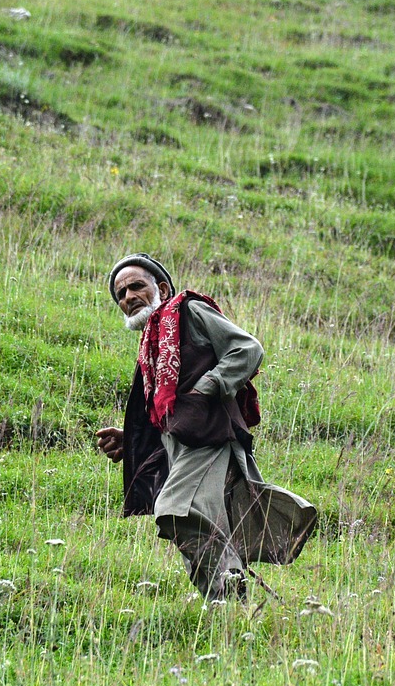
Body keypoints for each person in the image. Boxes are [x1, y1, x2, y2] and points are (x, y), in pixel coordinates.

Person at [95, 253, 317, 601]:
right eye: (121, 294)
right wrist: (132, 440)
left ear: (162, 288)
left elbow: (247, 349)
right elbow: (166, 410)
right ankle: (227, 606)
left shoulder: (188, 311)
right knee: (197, 532)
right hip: (182, 448)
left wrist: (207, 387)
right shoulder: (151, 346)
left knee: (173, 509)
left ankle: (229, 581)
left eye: (136, 286)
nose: (128, 297)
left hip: (208, 440)